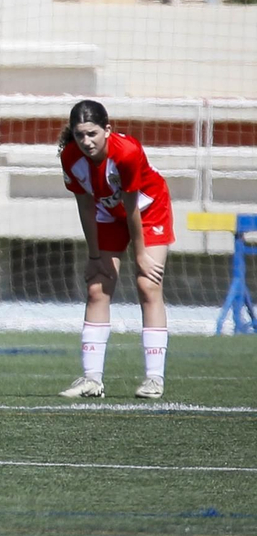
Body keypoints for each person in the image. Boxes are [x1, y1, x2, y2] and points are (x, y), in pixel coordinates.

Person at [56, 100, 173, 400]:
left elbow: (132, 205)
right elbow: (84, 205)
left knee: (147, 284)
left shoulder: (128, 152)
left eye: (92, 133)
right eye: (80, 134)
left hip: (147, 211)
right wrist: (94, 256)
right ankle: (92, 380)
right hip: (108, 213)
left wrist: (140, 255)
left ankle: (154, 379)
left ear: (107, 129)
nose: (86, 141)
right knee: (97, 287)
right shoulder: (70, 157)